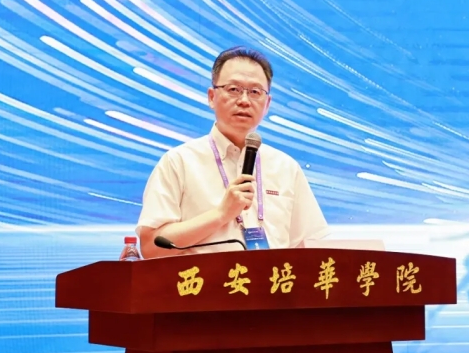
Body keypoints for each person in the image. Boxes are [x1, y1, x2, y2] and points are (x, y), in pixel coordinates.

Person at [136, 46, 330, 258]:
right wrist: (221, 214)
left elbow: (312, 248)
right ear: (212, 97)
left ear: (267, 104)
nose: (244, 100)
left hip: (271, 280)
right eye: (234, 89)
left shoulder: (285, 167)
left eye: (255, 92)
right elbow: (151, 247)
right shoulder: (179, 162)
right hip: (204, 280)